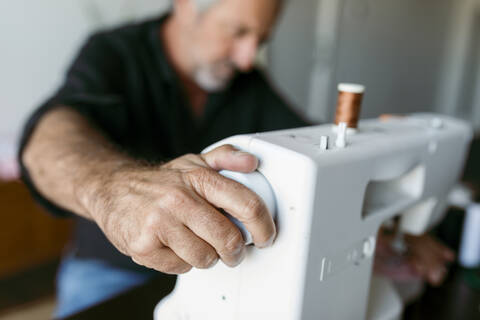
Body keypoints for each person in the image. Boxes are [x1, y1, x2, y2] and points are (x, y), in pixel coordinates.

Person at [19, 0, 454, 317]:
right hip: (111, 271)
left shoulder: (247, 82)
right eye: (239, 32)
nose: (249, 57)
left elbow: (318, 161)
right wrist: (114, 190)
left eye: (260, 40)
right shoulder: (114, 53)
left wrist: (388, 217)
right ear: (189, 7)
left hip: (213, 271)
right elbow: (48, 141)